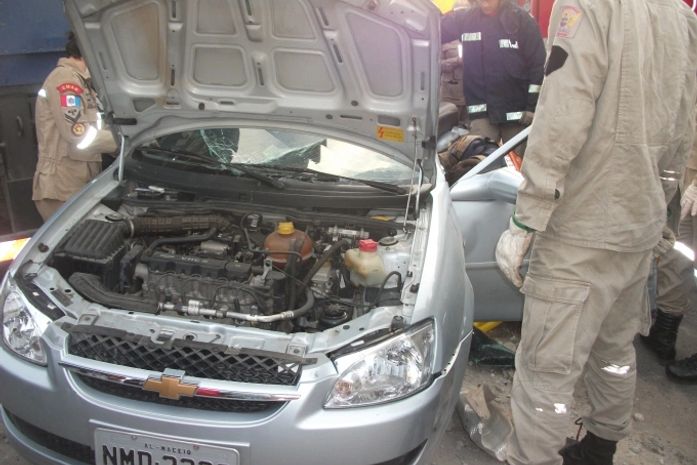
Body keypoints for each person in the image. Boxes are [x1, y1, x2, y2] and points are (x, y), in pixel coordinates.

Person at [493, 1, 697, 464]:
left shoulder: (589, 5)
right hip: (638, 223)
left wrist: (529, 213)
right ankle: (601, 447)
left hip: (581, 228)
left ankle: (532, 457)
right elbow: (685, 121)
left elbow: (563, 113)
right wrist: (661, 207)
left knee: (546, 367)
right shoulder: (679, 16)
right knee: (614, 348)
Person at [32, 32, 117, 221]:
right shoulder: (65, 80)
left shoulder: (80, 81)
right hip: (61, 189)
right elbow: (79, 134)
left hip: (74, 186)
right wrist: (122, 141)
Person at [441, 0, 545, 148]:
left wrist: (531, 108)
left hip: (517, 115)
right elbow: (432, 29)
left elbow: (537, 66)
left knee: (522, 166)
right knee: (478, 163)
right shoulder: (465, 19)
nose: (485, 4)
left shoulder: (522, 20)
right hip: (483, 115)